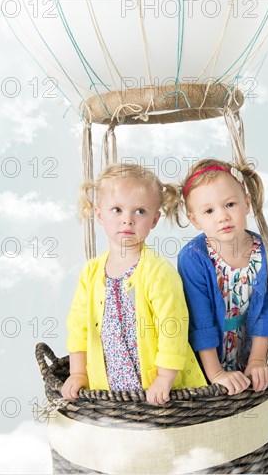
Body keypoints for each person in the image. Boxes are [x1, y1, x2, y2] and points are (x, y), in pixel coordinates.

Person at [61, 163, 206, 405]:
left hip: (157, 387)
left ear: (154, 220)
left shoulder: (158, 271)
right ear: (99, 215)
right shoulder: (91, 272)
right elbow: (78, 328)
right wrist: (78, 372)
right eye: (116, 210)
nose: (127, 220)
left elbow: (173, 327)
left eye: (139, 211)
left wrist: (164, 377)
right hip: (108, 386)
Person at [168, 159, 268, 396]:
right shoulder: (194, 258)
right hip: (207, 359)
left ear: (247, 203)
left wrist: (257, 360)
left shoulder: (266, 251)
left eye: (230, 204)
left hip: (245, 352)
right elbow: (200, 320)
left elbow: (266, 309)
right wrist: (215, 374)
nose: (222, 216)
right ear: (195, 219)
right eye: (209, 211)